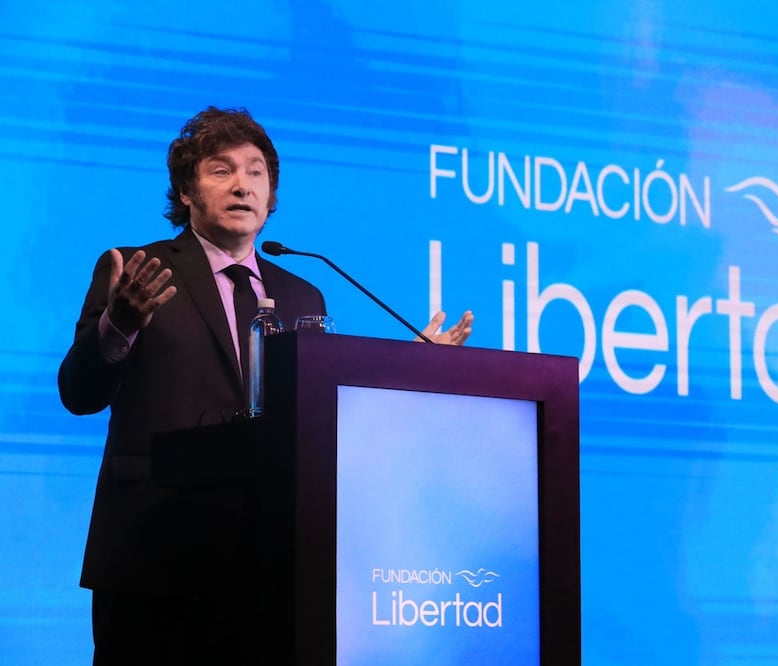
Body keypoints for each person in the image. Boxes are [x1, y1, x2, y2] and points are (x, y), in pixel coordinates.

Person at [58, 106, 473, 664]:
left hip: (270, 560)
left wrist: (409, 370)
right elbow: (79, 394)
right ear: (186, 190)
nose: (242, 185)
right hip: (153, 555)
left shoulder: (305, 295)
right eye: (220, 170)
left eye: (256, 172)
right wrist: (120, 325)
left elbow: (324, 413)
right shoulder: (137, 270)